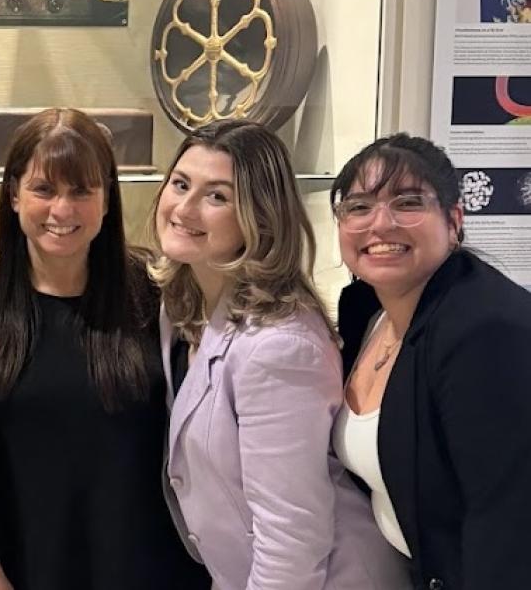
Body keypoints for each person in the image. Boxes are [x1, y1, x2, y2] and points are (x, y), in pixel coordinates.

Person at [0, 108, 210, 590]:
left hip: (154, 569)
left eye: (81, 191)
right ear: (13, 194)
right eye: (44, 189)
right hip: (28, 568)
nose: (62, 210)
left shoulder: (156, 294)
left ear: (107, 199)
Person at [149, 119, 409, 589]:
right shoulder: (182, 305)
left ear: (260, 217)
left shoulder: (279, 346)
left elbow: (292, 538)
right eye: (181, 184)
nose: (184, 207)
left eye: (217, 196)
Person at [331, 134, 531, 589]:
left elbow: (508, 525)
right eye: (359, 207)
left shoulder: (484, 331)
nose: (380, 225)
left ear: (454, 220)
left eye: (407, 203)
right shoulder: (370, 311)